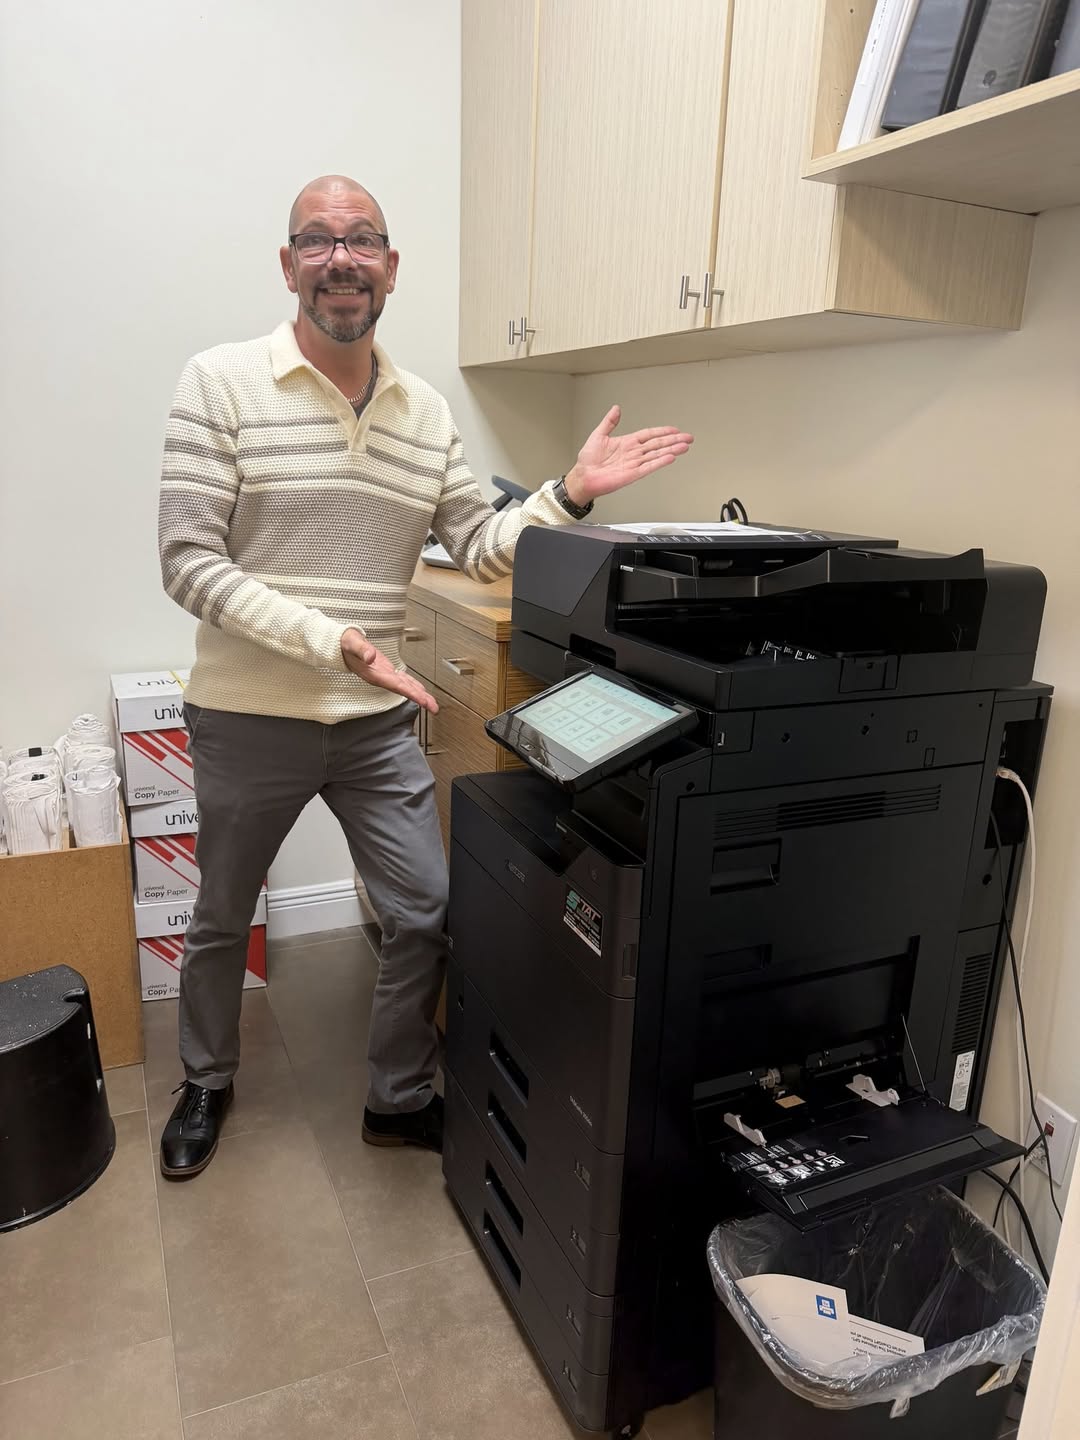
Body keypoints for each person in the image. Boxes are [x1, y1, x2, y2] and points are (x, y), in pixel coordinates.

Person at [156, 174, 693, 1179]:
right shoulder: (219, 383)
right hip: (249, 713)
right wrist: (338, 642)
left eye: (362, 239)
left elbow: (480, 546)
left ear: (391, 269)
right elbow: (189, 563)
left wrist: (568, 493)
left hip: (370, 720)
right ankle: (207, 1080)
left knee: (425, 910)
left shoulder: (423, 411)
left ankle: (397, 1096)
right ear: (288, 266)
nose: (341, 258)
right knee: (223, 917)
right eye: (317, 240)